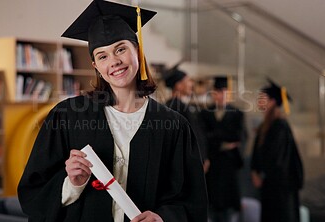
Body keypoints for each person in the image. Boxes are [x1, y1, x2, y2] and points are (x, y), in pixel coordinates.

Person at [17, 1, 208, 222]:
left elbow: (191, 200)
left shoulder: (174, 125)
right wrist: (72, 183)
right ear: (95, 66)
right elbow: (33, 192)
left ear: (137, 50)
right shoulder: (67, 116)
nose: (114, 61)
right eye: (102, 56)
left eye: (120, 49)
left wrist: (163, 218)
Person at [250, 79, 304, 222]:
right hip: (270, 184)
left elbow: (276, 157)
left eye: (263, 99)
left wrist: (262, 173)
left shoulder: (280, 126)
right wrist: (255, 170)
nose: (259, 102)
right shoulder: (265, 126)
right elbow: (257, 152)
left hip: (280, 186)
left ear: (273, 101)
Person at [200, 76, 245, 222]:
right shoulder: (205, 113)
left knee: (227, 207)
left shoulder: (237, 113)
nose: (221, 96)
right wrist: (223, 143)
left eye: (225, 92)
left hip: (229, 165)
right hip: (212, 164)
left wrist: (215, 137)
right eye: (218, 92)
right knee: (211, 204)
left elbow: (239, 137)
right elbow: (203, 137)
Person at [163, 63, 209, 170]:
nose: (191, 84)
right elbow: (190, 137)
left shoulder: (176, 106)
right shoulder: (177, 108)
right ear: (178, 85)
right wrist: (200, 158)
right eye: (188, 81)